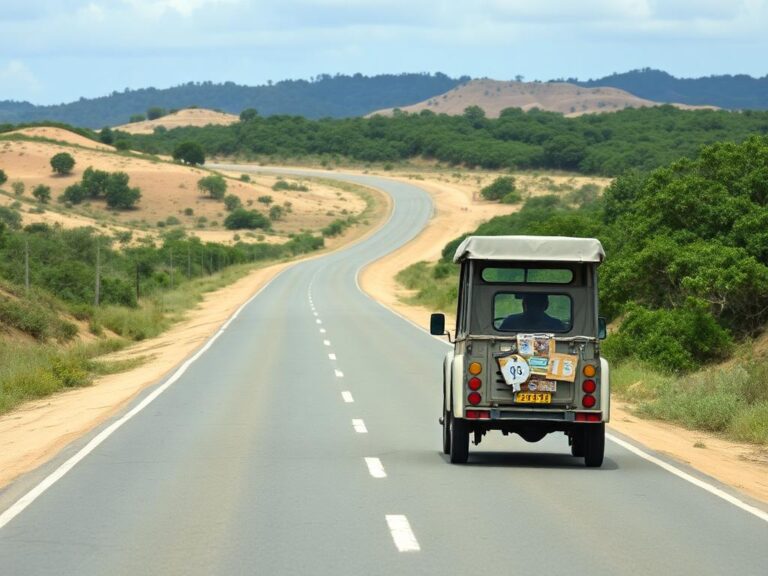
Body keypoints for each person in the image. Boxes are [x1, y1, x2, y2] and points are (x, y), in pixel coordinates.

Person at [499, 293, 567, 332]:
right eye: (531, 304)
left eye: (536, 304)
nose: (533, 308)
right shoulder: (556, 324)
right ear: (546, 305)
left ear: (523, 305)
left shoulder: (510, 321)